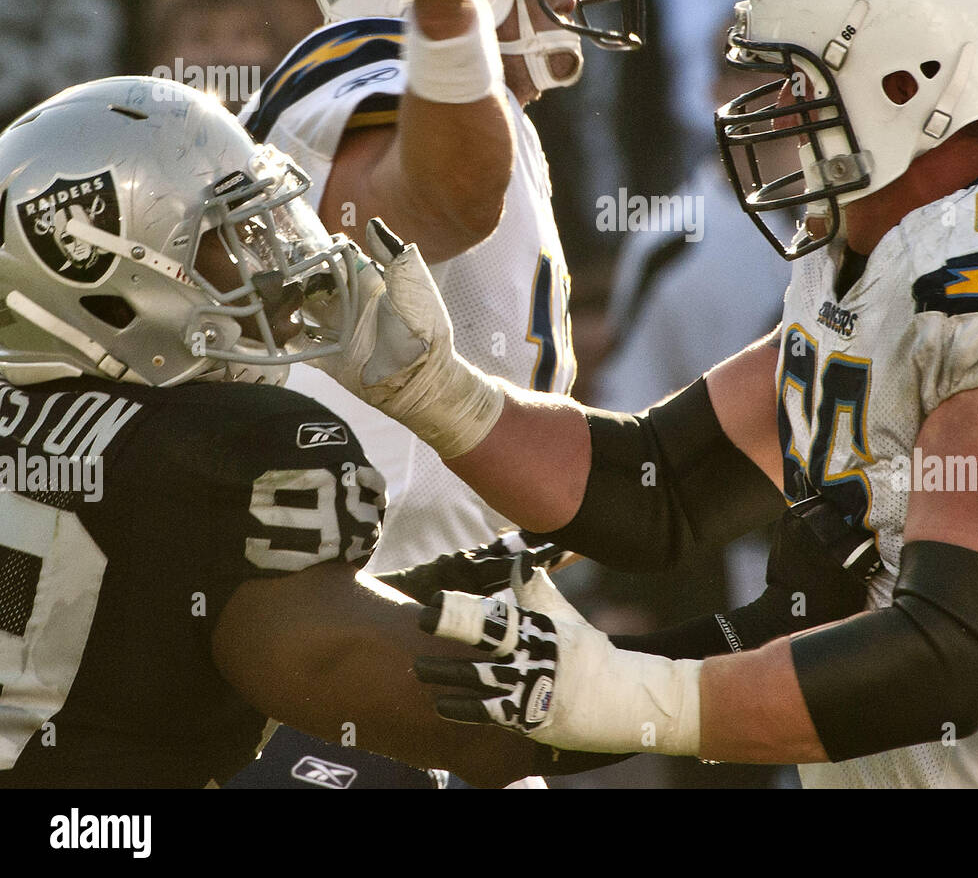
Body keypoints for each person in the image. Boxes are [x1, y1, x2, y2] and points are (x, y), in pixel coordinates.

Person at [311, 0, 978, 787]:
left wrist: (612, 696)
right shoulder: (884, 249)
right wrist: (432, 388)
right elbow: (657, 488)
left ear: (913, 76)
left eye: (797, 76)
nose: (767, 107)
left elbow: (949, 656)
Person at [231, 0, 645, 786]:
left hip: (431, 631)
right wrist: (449, 21)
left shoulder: (472, 102)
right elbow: (441, 198)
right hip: (353, 640)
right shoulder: (370, 75)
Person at [0, 76, 563, 788]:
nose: (271, 266)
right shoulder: (212, 448)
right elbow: (392, 683)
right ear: (94, 265)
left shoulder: (63, 426)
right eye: (226, 238)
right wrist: (666, 690)